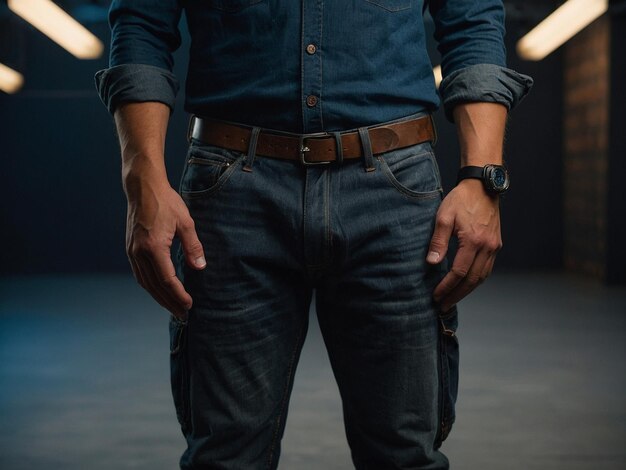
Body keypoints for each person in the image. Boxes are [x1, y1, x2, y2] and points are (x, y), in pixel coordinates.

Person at [96, 1, 532, 468]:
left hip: (393, 190)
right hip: (233, 190)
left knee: (404, 455)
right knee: (225, 456)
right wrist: (142, 183)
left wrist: (483, 178)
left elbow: (471, 17)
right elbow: (142, 20)